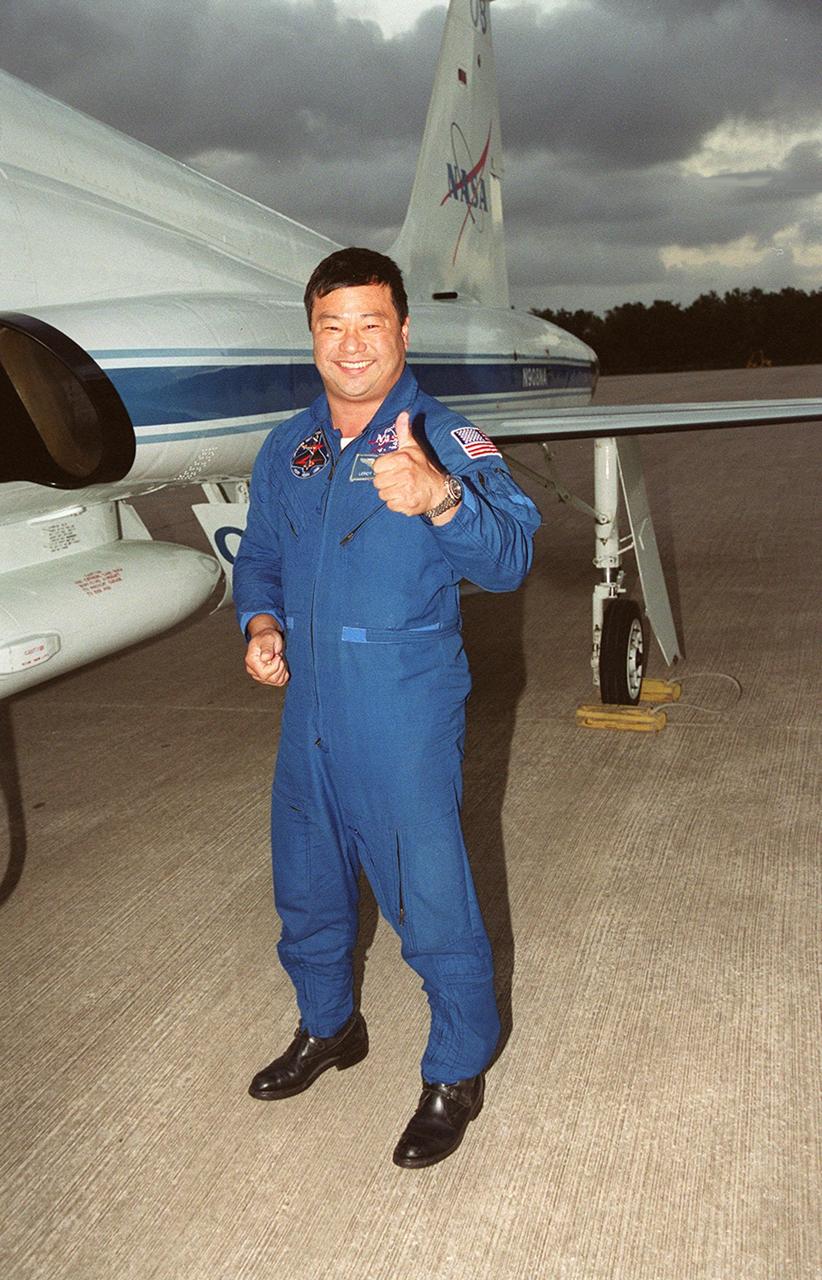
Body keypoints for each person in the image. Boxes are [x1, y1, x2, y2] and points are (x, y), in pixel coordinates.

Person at [233, 247, 540, 1169]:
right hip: (311, 707)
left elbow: (511, 557)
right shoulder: (290, 446)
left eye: (372, 322)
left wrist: (440, 499)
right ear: (311, 336)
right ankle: (329, 1026)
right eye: (332, 325)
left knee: (427, 892)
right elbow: (261, 558)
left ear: (404, 329)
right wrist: (260, 622)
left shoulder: (445, 438)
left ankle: (457, 1068)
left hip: (402, 704)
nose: (352, 343)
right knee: (308, 882)